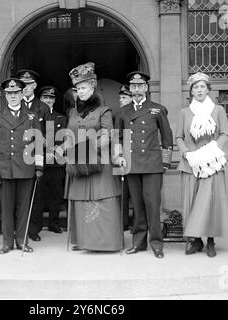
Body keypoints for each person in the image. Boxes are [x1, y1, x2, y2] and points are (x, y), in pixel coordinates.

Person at [55, 62, 122, 252]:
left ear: (93, 87)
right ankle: (84, 242)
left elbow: (107, 134)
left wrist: (86, 149)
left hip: (99, 163)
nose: (80, 92)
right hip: (78, 163)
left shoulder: (104, 111)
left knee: (103, 201)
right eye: (77, 89)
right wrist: (61, 149)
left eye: (83, 88)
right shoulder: (73, 112)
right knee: (81, 202)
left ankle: (106, 243)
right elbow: (69, 134)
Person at [175, 72, 228, 258]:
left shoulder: (218, 110)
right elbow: (178, 137)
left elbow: (225, 134)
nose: (199, 90)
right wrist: (187, 154)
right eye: (195, 87)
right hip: (190, 163)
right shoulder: (184, 113)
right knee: (192, 201)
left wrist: (210, 151)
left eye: (202, 86)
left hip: (212, 162)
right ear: (191, 91)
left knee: (211, 202)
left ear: (208, 89)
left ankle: (210, 240)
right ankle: (195, 240)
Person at [114, 71, 173, 258]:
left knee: (153, 205)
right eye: (133, 86)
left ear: (146, 88)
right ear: (130, 89)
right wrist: (118, 157)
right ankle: (138, 243)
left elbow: (167, 138)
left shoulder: (158, 109)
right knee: (137, 206)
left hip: (152, 165)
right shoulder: (123, 112)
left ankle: (156, 244)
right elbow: (117, 138)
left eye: (140, 86)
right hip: (132, 164)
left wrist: (164, 163)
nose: (137, 89)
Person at [0, 78, 44, 254]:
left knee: (24, 207)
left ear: (21, 94)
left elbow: (39, 142)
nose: (12, 96)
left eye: (16, 93)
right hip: (5, 169)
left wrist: (39, 167)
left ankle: (22, 240)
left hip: (26, 168)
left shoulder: (31, 117)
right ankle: (7, 242)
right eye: (9, 93)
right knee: (6, 207)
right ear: (5, 95)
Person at [16, 69, 50, 242]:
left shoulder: (42, 107)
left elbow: (48, 134)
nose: (25, 88)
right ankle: (20, 228)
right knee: (20, 194)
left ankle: (34, 229)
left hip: (36, 155)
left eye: (29, 84)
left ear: (35, 85)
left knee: (37, 194)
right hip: (18, 156)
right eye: (23, 84)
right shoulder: (14, 104)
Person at [30, 86, 67, 236]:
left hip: (56, 162)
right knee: (39, 195)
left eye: (51, 98)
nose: (48, 100)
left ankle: (54, 223)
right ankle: (36, 226)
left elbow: (65, 137)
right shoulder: (35, 115)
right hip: (39, 160)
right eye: (45, 98)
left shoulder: (61, 118)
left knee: (56, 194)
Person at [117, 84, 133, 231]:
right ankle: (123, 223)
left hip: (140, 158)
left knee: (138, 193)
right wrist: (119, 155)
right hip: (124, 158)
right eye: (120, 97)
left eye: (124, 97)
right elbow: (117, 137)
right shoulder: (120, 114)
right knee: (124, 192)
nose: (121, 100)